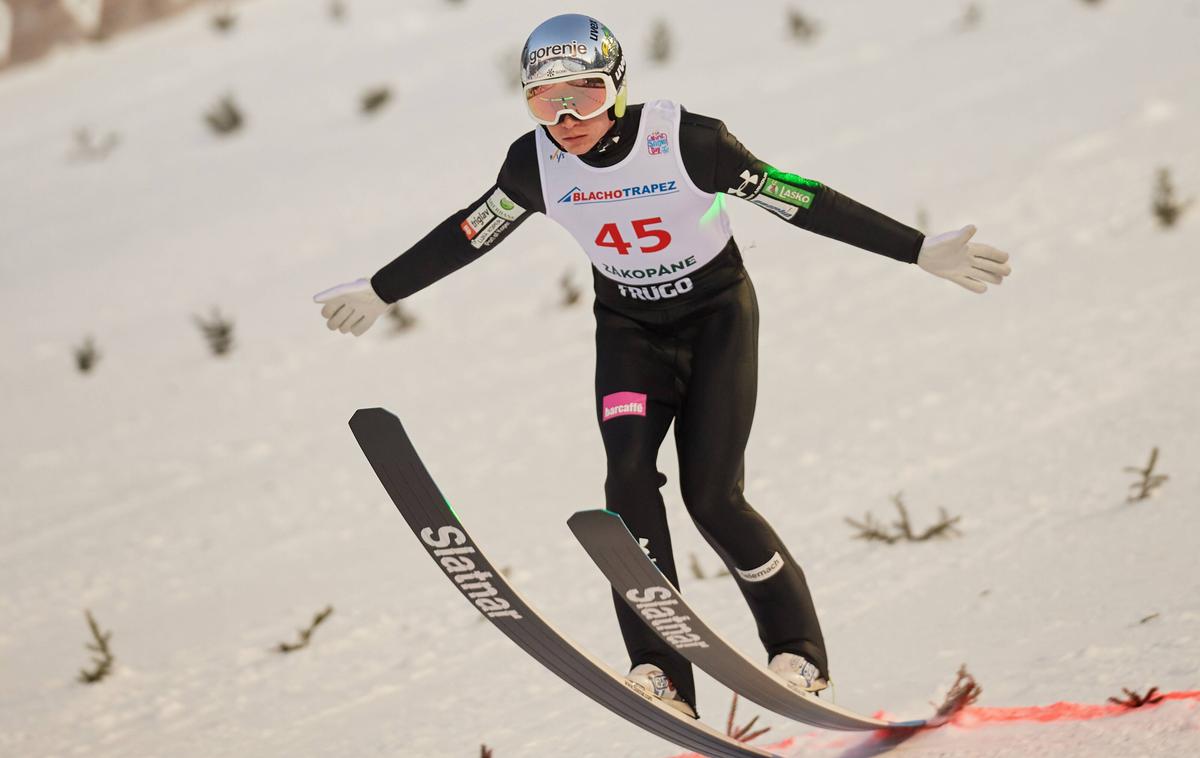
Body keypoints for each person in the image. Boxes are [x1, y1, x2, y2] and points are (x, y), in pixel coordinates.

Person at [314, 13, 1011, 718]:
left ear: (616, 88)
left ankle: (798, 651)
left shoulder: (687, 141)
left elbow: (801, 201)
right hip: (629, 332)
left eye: (581, 95)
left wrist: (918, 249)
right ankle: (660, 671)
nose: (564, 117)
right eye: (542, 100)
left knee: (711, 497)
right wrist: (382, 290)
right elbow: (470, 233)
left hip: (716, 320)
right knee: (626, 484)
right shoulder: (534, 165)